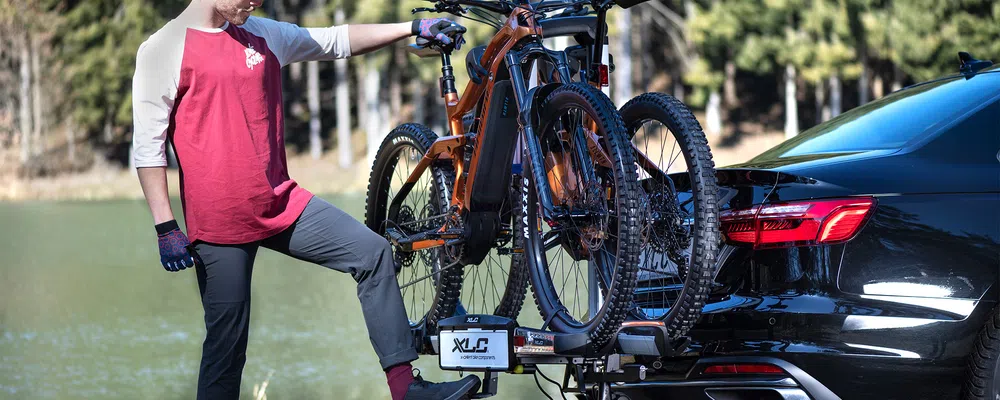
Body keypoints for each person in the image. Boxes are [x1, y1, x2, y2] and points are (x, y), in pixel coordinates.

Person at [131, 0, 475, 399]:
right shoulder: (163, 48)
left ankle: (405, 389)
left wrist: (412, 28)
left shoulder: (262, 34)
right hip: (220, 224)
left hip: (281, 205)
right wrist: (165, 225)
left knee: (373, 253)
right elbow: (148, 148)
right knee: (227, 347)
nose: (256, 2)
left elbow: (336, 41)